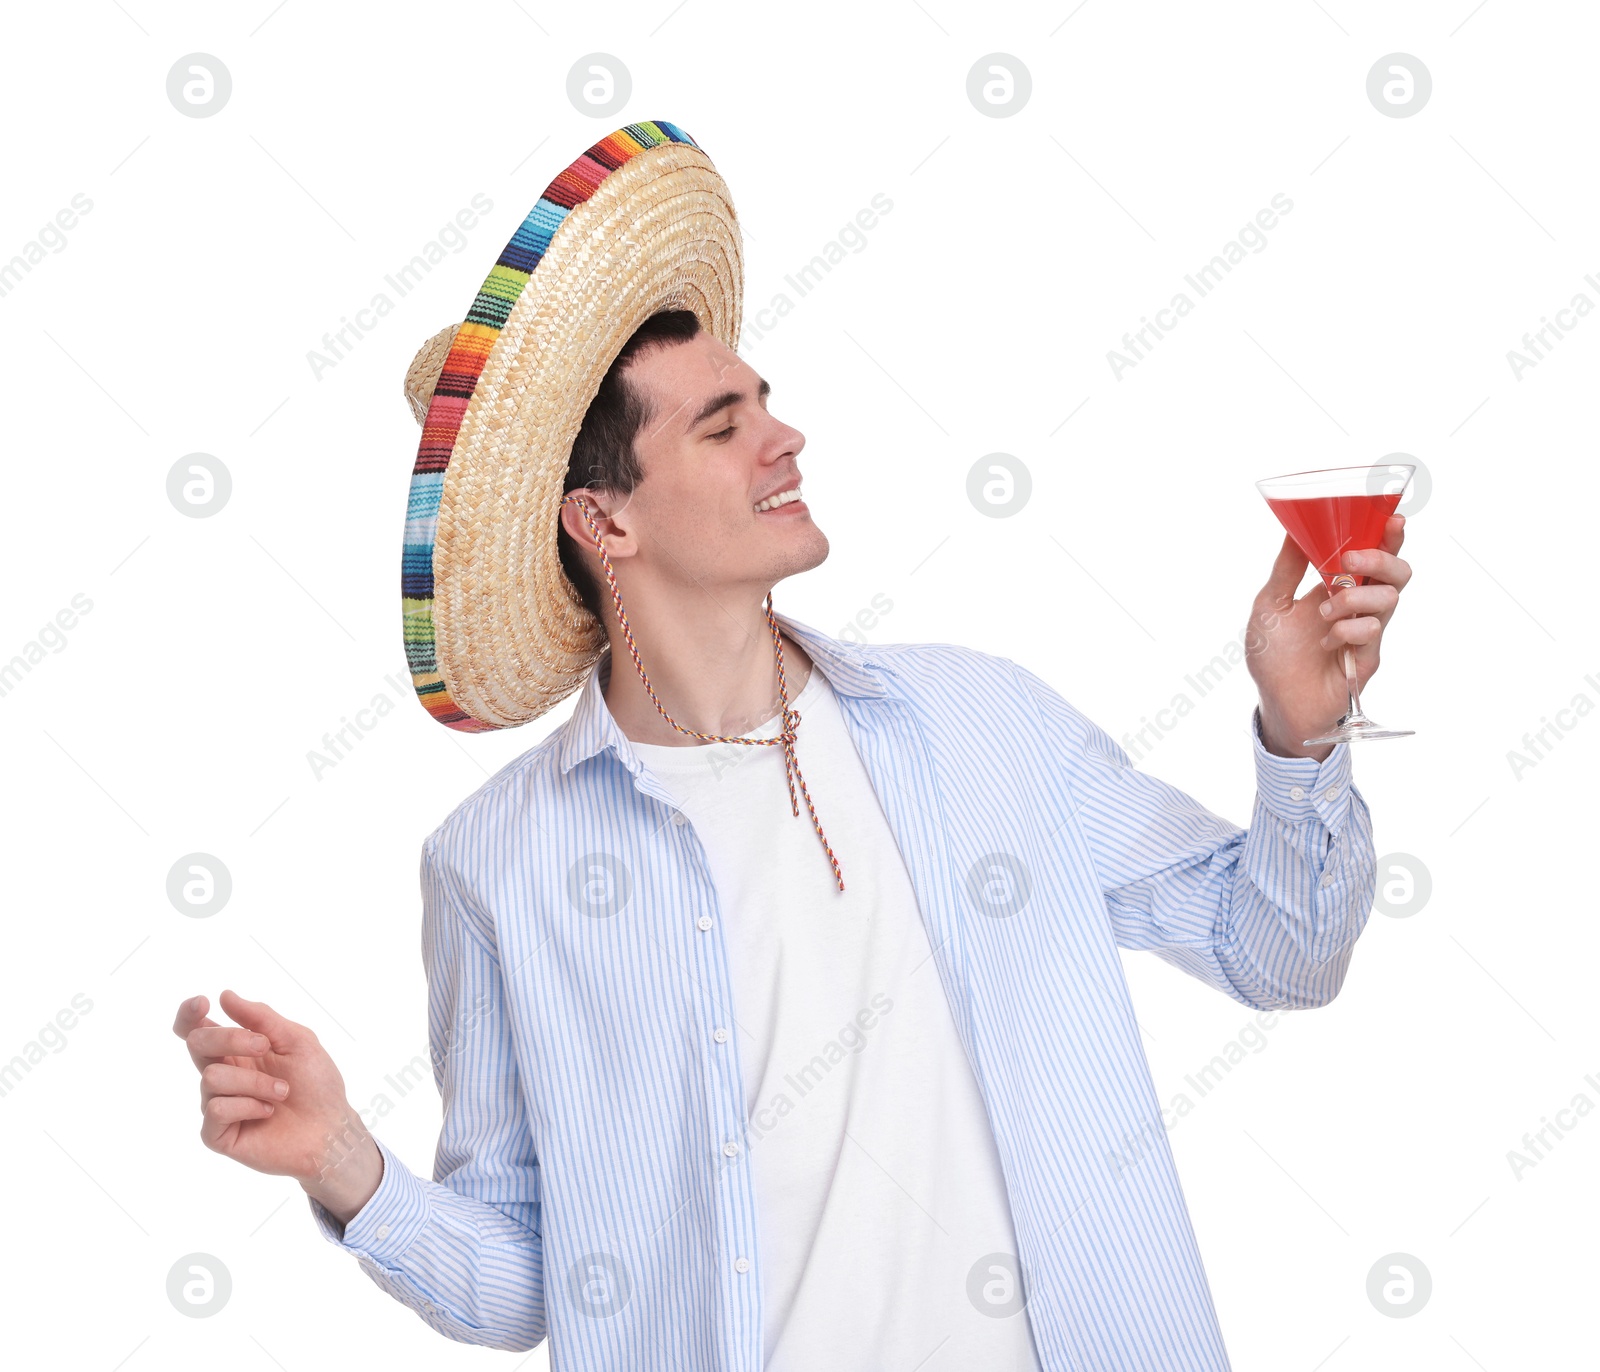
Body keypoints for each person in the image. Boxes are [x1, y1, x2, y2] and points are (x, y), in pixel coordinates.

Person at [173, 122, 1406, 1371]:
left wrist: (1302, 734)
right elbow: (533, 1278)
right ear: (603, 517)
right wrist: (348, 1164)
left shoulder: (984, 722)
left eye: (763, 401)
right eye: (722, 426)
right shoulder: (496, 863)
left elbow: (1280, 954)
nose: (785, 437)